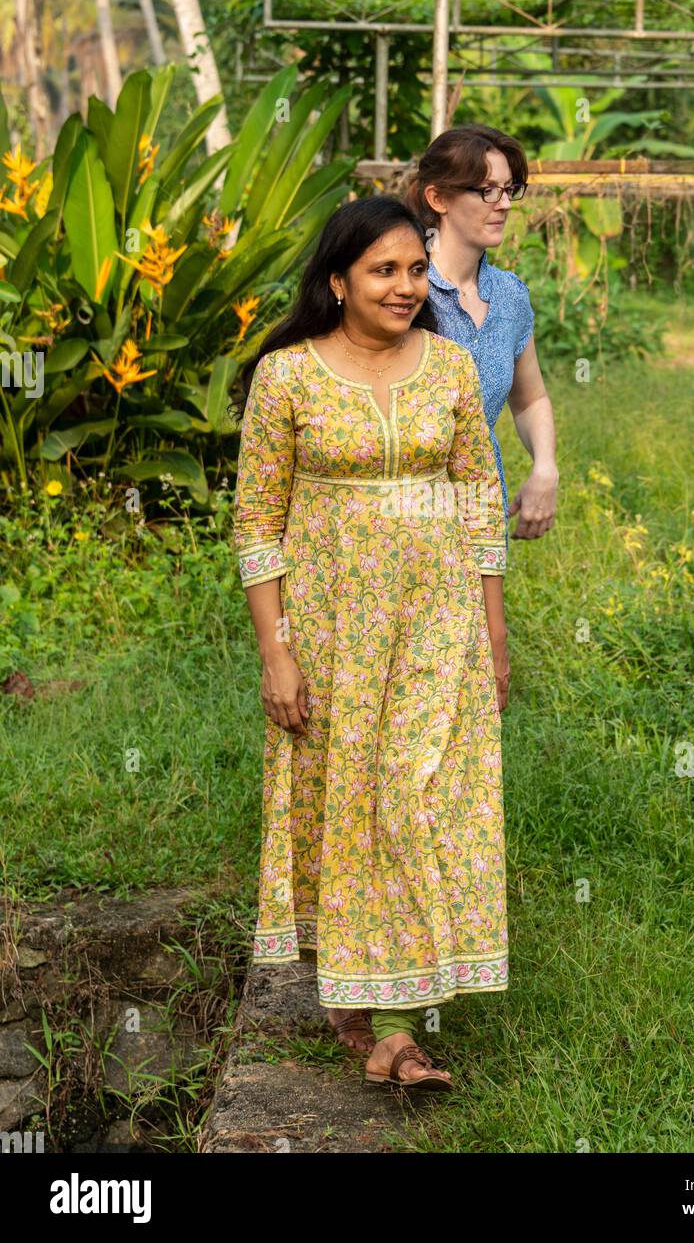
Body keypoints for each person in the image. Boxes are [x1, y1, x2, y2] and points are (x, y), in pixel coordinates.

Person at [231, 196, 510, 1093]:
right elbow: (256, 527)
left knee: (413, 793)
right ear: (336, 280)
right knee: (348, 803)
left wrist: (493, 635)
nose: (403, 287)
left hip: (438, 624)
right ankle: (371, 1008)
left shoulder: (454, 370)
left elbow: (478, 502)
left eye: (414, 270)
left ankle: (395, 1028)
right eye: (383, 271)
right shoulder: (288, 377)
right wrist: (278, 654)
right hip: (331, 627)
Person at [403, 124, 559, 556]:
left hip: (478, 509)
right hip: (397, 515)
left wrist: (545, 468)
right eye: (487, 190)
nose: (504, 204)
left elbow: (530, 400)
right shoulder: (402, 290)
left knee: (488, 627)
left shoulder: (510, 296)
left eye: (510, 189)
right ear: (438, 199)